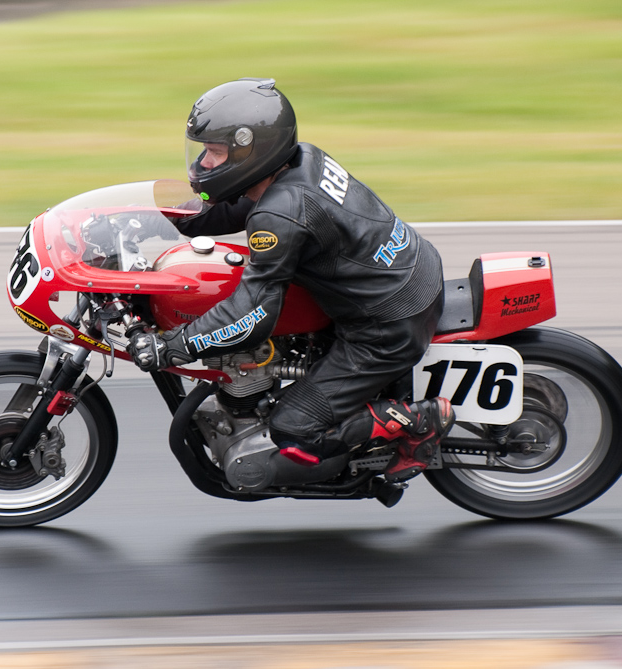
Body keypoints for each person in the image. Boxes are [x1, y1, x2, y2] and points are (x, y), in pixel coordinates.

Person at [126, 78, 454, 483]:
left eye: (214, 152)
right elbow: (235, 207)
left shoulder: (278, 217)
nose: (203, 164)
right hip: (409, 271)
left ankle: (415, 422)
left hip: (387, 325)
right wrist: (155, 217)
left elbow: (253, 311)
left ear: (253, 151)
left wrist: (172, 346)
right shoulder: (301, 161)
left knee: (293, 431)